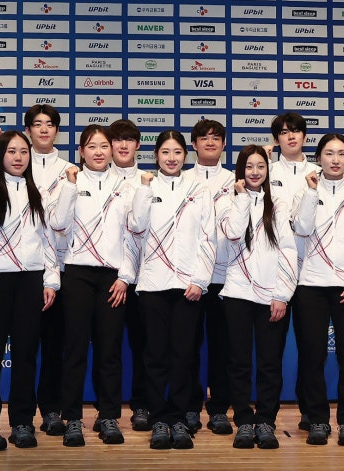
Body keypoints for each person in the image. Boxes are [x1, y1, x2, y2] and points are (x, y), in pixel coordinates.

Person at [0, 105, 73, 437]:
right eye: (11, 151)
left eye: (23, 152)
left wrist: (51, 281)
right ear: (0, 155)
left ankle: (22, 422)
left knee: (27, 354)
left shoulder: (36, 192)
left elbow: (48, 240)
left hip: (30, 280)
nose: (18, 157)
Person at [129, 130, 216, 450]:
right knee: (155, 356)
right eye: (165, 152)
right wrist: (143, 190)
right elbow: (136, 226)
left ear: (185, 155)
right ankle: (158, 420)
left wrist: (200, 280)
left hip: (188, 288)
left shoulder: (199, 189)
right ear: (156, 156)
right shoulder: (144, 187)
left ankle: (179, 418)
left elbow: (208, 238)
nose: (171, 158)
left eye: (177, 152)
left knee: (183, 355)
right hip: (153, 285)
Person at [53, 124, 136, 447]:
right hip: (77, 274)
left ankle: (109, 416)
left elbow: (134, 236)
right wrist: (70, 186)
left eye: (103, 146)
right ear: (81, 151)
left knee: (109, 351)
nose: (99, 152)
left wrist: (125, 277)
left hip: (112, 278)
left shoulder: (125, 185)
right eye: (91, 146)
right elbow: (58, 224)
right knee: (74, 349)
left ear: (111, 150)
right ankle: (72, 418)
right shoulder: (70, 182)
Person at [291, 133, 344, 446]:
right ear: (319, 158)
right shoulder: (304, 191)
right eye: (329, 153)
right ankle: (317, 419)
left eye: (341, 154)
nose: (335, 159)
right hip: (310, 285)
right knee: (312, 356)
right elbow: (301, 228)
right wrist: (311, 193)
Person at [217, 145, 298, 449]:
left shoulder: (278, 204)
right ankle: (243, 420)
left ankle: (266, 421)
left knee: (269, 364)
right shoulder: (226, 202)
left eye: (260, 167)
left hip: (271, 297)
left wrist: (282, 295)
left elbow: (288, 250)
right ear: (240, 170)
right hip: (237, 293)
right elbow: (234, 233)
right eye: (249, 166)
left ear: (267, 170)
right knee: (238, 362)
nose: (254, 172)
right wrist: (240, 198)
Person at [266, 111, 317, 431]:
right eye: (284, 132)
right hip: (273, 272)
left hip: (311, 272)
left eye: (296, 131)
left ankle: (310, 413)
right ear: (277, 139)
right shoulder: (265, 171)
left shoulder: (320, 172)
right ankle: (266, 417)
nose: (291, 136)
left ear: (304, 137)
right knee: (270, 352)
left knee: (311, 349)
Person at [186, 119, 235, 435]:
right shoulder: (183, 179)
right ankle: (190, 407)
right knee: (188, 346)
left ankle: (219, 409)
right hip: (190, 277)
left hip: (226, 277)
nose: (210, 142)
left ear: (224, 144)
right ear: (194, 145)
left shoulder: (236, 180)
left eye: (216, 137)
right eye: (203, 138)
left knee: (223, 348)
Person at [103, 119, 150, 433]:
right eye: (117, 140)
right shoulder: (94, 178)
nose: (123, 145)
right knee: (106, 347)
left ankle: (142, 405)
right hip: (106, 276)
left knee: (144, 346)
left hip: (142, 278)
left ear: (138, 145)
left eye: (129, 140)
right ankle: (105, 410)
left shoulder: (150, 181)